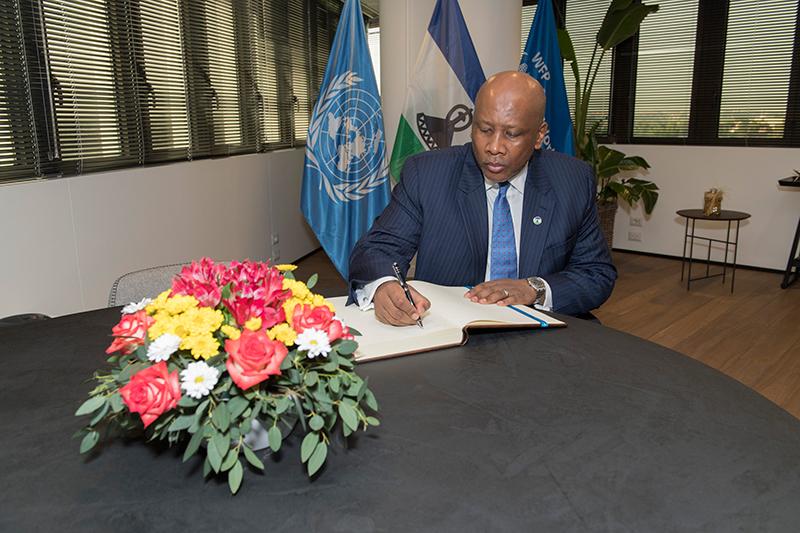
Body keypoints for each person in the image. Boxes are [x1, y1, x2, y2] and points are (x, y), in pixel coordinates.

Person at [348, 71, 616, 326]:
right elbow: (377, 250)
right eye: (485, 129)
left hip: (541, 332)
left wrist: (534, 289)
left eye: (511, 134)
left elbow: (596, 275)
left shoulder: (571, 180)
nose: (494, 147)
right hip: (450, 331)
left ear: (539, 135)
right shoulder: (428, 174)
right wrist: (384, 285)